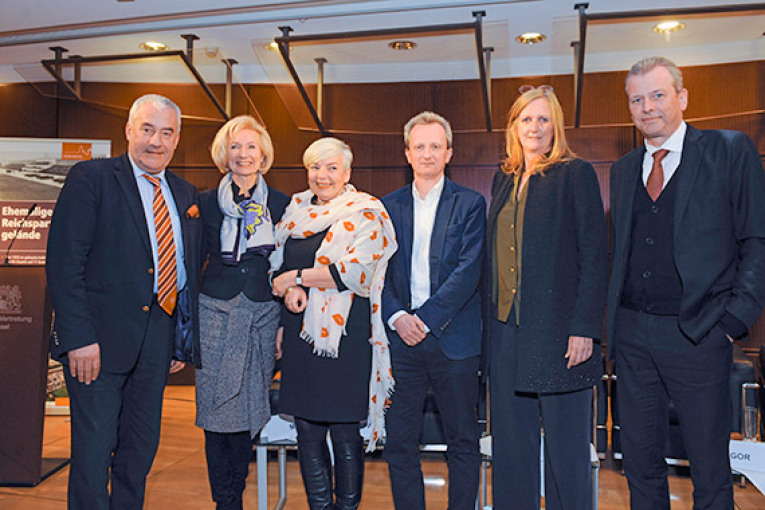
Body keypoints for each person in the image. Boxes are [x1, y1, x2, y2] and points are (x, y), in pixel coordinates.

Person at [608, 57, 765, 510]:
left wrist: (735, 319)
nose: (647, 107)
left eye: (657, 95)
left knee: (710, 467)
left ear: (682, 97)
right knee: (638, 462)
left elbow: (757, 237)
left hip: (700, 333)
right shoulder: (622, 170)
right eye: (636, 99)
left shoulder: (729, 150)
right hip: (633, 335)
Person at [46, 94, 201, 509]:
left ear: (177, 139)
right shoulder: (91, 178)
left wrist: (176, 341)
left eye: (166, 133)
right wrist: (78, 338)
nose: (156, 141)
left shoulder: (184, 192)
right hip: (95, 345)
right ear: (129, 130)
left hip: (156, 343)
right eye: (148, 129)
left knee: (139, 453)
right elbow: (65, 263)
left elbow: (183, 271)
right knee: (94, 456)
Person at [483, 87, 607, 509]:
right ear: (513, 127)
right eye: (526, 119)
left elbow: (595, 256)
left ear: (556, 126)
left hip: (560, 337)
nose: (534, 128)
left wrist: (584, 329)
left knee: (566, 454)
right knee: (511, 451)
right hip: (506, 335)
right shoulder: (503, 178)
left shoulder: (576, 173)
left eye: (543, 119)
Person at [269, 137, 397, 510]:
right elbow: (277, 267)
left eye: (331, 168)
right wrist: (288, 290)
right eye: (314, 167)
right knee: (307, 430)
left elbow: (354, 272)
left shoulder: (367, 212)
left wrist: (296, 278)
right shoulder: (295, 210)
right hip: (301, 334)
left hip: (347, 337)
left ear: (347, 173)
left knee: (344, 431)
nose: (322, 176)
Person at [382, 111, 486, 510]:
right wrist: (398, 317)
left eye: (435, 146)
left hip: (453, 341)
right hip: (400, 342)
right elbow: (378, 274)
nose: (427, 154)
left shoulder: (471, 204)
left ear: (449, 153)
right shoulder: (385, 208)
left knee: (462, 441)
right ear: (407, 153)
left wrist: (423, 320)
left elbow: (468, 271)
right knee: (400, 442)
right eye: (419, 146)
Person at [195, 115, 289, 510]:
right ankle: (227, 499)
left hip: (264, 316)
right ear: (224, 154)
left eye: (251, 147)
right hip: (215, 312)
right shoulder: (203, 203)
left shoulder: (283, 203)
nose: (243, 154)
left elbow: (286, 269)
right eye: (235, 147)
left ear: (263, 154)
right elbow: (190, 261)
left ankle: (237, 487)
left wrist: (284, 323)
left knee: (251, 407)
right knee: (218, 411)